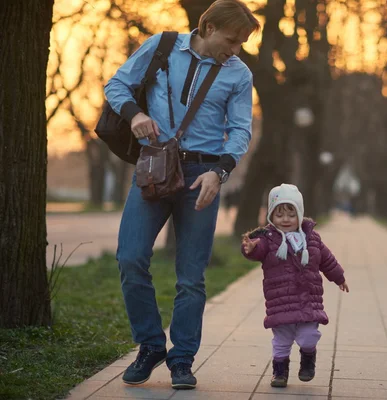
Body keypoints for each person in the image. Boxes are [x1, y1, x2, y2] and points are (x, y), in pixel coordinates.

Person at [104, 0, 260, 390]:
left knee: (191, 278)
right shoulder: (162, 46)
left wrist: (220, 172)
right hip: (154, 165)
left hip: (203, 174)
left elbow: (241, 129)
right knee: (130, 257)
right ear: (208, 27)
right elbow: (117, 84)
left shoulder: (239, 75)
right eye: (232, 40)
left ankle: (182, 360)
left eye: (242, 43)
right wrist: (134, 115)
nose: (235, 49)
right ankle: (151, 345)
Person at [241, 184, 349, 388]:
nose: (285, 219)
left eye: (291, 214)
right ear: (271, 216)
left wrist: (339, 277)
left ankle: (308, 360)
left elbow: (327, 260)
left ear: (300, 213)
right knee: (281, 343)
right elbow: (257, 251)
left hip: (308, 301)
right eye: (279, 214)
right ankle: (279, 373)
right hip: (280, 301)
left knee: (309, 337)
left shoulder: (312, 239)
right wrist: (249, 248)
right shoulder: (267, 240)